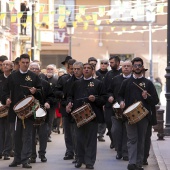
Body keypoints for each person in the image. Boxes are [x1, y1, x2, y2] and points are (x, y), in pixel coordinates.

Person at [2, 53, 42, 169]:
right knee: (16, 136)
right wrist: (6, 99)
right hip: (15, 112)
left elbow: (41, 92)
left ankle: (25, 160)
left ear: (29, 63)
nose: (25, 64)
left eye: (27, 62)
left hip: (29, 112)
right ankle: (17, 159)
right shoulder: (12, 76)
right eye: (23, 62)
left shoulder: (34, 77)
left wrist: (36, 92)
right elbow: (4, 91)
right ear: (19, 63)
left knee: (28, 136)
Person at [118, 57, 159, 170]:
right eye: (135, 65)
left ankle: (138, 163)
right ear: (132, 67)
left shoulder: (148, 83)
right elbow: (119, 95)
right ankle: (132, 163)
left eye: (139, 65)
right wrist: (121, 102)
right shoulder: (126, 82)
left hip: (143, 116)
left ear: (142, 67)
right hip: (129, 116)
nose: (137, 67)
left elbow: (155, 100)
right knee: (132, 139)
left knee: (141, 139)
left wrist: (147, 97)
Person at [66, 63, 106, 169]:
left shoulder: (98, 83)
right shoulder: (76, 83)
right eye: (85, 68)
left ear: (93, 71)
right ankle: (79, 159)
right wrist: (69, 103)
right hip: (78, 116)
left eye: (89, 68)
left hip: (92, 116)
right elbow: (70, 96)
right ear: (83, 70)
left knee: (91, 140)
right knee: (78, 139)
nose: (86, 70)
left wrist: (95, 99)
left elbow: (104, 99)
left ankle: (90, 162)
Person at [29, 62, 55, 163]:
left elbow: (51, 96)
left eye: (36, 69)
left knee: (43, 135)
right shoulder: (25, 83)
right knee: (31, 135)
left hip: (42, 112)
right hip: (29, 113)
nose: (34, 70)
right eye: (32, 69)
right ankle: (32, 155)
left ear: (39, 70)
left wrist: (48, 102)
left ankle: (42, 154)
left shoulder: (45, 83)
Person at [108, 60, 132, 161]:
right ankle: (119, 151)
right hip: (116, 111)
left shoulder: (133, 80)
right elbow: (109, 91)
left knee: (127, 132)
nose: (126, 67)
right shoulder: (116, 79)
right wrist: (110, 96)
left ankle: (125, 153)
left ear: (131, 68)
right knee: (115, 131)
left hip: (129, 110)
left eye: (128, 66)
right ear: (121, 67)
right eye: (124, 66)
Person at [62, 61, 84, 164]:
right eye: (74, 69)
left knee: (81, 135)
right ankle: (73, 153)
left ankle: (81, 155)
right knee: (72, 134)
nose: (75, 71)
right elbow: (66, 96)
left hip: (84, 111)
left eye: (78, 69)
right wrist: (68, 104)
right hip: (71, 111)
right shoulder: (68, 81)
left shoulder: (87, 80)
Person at [55, 59, 76, 160]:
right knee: (67, 132)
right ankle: (69, 151)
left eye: (75, 69)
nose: (73, 71)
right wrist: (62, 94)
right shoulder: (63, 79)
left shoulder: (80, 79)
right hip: (65, 108)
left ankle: (78, 152)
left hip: (77, 108)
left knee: (77, 132)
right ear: (67, 69)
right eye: (71, 69)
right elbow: (56, 91)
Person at [104, 55, 122, 148]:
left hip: (120, 103)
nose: (110, 64)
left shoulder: (122, 73)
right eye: (109, 62)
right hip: (109, 103)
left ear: (118, 63)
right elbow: (105, 88)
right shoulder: (108, 74)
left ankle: (119, 142)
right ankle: (113, 140)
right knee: (109, 122)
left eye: (112, 63)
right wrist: (109, 96)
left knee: (119, 124)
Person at [88, 57, 105, 142]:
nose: (92, 65)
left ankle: (100, 134)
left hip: (97, 102)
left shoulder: (99, 75)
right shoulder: (84, 75)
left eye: (94, 64)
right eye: (91, 64)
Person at [0, 60, 14, 160]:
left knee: (9, 131)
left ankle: (7, 151)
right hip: (1, 107)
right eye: (3, 64)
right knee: (1, 131)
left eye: (7, 64)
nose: (5, 66)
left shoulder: (14, 78)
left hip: (11, 107)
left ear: (12, 67)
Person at [44, 64, 58, 142]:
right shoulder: (42, 78)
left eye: (51, 69)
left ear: (54, 70)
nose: (49, 70)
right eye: (48, 69)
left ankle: (48, 135)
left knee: (50, 120)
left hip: (52, 104)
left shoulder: (56, 80)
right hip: (43, 103)